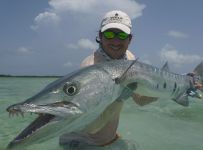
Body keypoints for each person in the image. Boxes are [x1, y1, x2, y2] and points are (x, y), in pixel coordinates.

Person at [59, 10, 157, 148]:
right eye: (110, 34)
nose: (116, 41)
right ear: (100, 36)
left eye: (122, 35)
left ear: (130, 39)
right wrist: (118, 98)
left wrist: (171, 91)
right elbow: (88, 125)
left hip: (109, 139)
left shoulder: (129, 58)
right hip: (81, 141)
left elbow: (140, 100)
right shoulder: (90, 68)